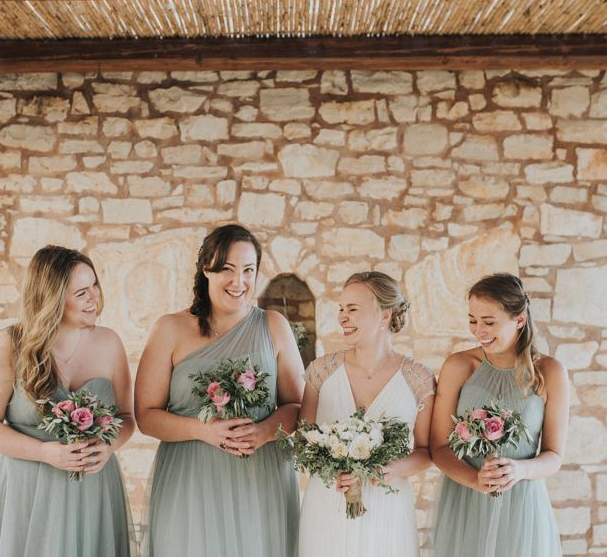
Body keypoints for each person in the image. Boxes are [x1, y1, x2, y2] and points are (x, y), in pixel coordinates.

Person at [135, 224, 304, 557]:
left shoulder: (274, 326)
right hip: (190, 480)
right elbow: (145, 415)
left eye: (248, 270)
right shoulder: (170, 328)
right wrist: (203, 431)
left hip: (260, 479)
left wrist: (265, 430)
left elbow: (298, 404)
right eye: (227, 269)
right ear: (206, 269)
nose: (238, 282)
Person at [0, 245, 135, 557]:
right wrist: (44, 452)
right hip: (27, 491)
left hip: (92, 490)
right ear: (53, 299)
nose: (94, 298)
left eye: (95, 286)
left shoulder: (110, 343)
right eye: (81, 292)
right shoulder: (11, 344)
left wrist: (108, 447)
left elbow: (127, 417)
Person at [298, 271, 435, 557]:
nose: (342, 318)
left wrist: (392, 470)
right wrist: (330, 471)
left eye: (353, 309)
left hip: (387, 507)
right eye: (341, 309)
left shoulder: (418, 379)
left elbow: (426, 451)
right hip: (327, 502)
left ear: (385, 315)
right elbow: (303, 443)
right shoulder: (320, 372)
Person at [431, 273, 568, 557]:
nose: (478, 330)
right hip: (465, 498)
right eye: (473, 320)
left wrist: (520, 471)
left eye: (489, 322)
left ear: (519, 320)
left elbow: (554, 454)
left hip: (522, 504)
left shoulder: (550, 372)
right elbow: (439, 447)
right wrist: (475, 480)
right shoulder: (458, 366)